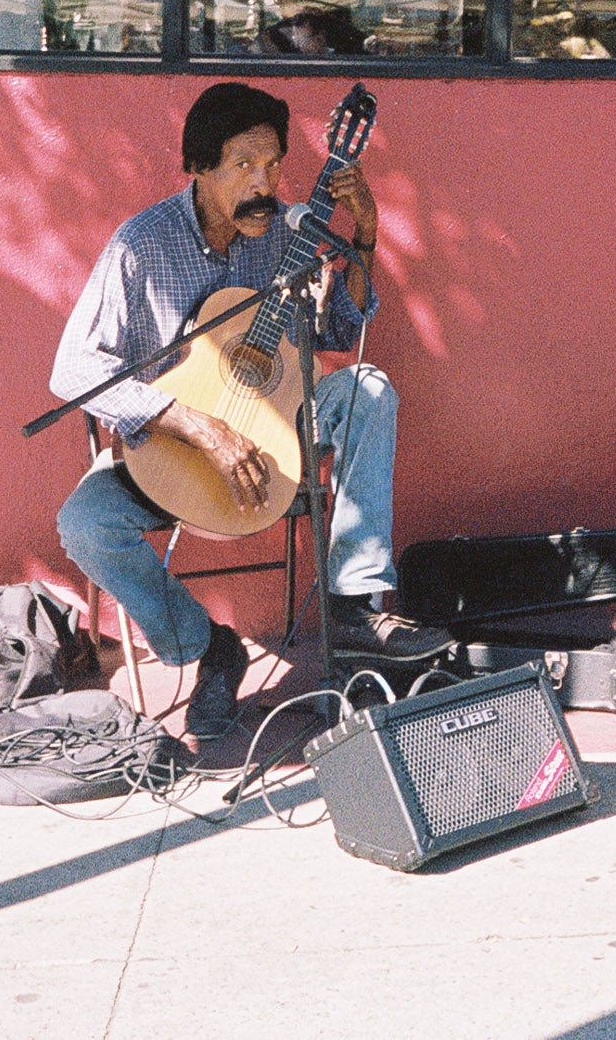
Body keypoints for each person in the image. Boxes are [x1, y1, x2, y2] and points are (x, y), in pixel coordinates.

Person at [50, 81, 451, 740]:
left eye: (272, 164)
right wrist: (195, 423)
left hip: (275, 436)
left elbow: (336, 332)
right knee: (87, 524)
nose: (264, 182)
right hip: (175, 449)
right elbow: (73, 368)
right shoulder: (140, 245)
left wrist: (367, 236)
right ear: (200, 168)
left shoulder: (286, 231)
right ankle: (211, 648)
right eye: (243, 166)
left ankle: (352, 605)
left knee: (368, 386)